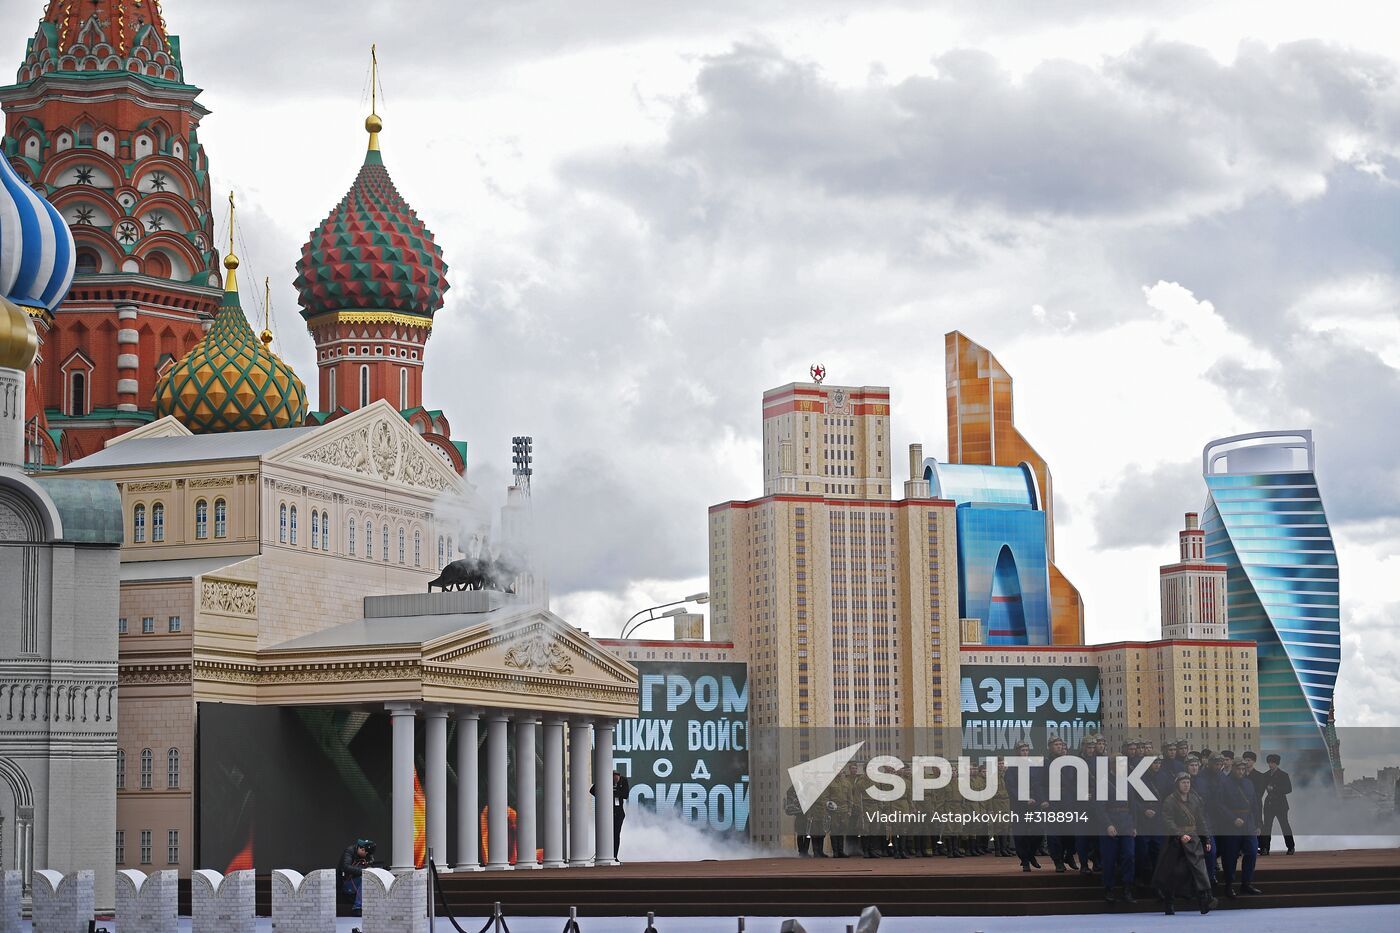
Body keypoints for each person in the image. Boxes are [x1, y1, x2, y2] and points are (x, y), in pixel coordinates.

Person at [1152, 773, 1218, 916]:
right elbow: (1167, 820)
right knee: (1174, 873)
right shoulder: (1170, 801)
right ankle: (1169, 903)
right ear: (1177, 784)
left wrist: (1206, 839)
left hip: (1193, 840)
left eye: (1188, 782)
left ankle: (1205, 901)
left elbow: (1201, 821)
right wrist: (1180, 834)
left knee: (1199, 871)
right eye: (1183, 782)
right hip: (1175, 842)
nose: (1186, 785)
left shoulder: (1195, 799)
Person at [1215, 758, 1262, 897]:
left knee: (1252, 852)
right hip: (1230, 826)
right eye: (1238, 769)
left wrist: (1258, 823)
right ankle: (1229, 885)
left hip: (1248, 824)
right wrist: (1232, 818)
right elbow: (1219, 804)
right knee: (1230, 856)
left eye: (1243, 769)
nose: (1241, 772)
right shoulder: (1223, 783)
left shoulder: (1249, 783)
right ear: (1233, 768)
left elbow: (1255, 804)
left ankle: (1246, 883)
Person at [1095, 756, 1137, 905]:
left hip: (1126, 822)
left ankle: (1127, 888)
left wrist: (1134, 825)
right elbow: (1099, 808)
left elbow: (1133, 806)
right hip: (1110, 822)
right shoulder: (1103, 783)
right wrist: (1108, 824)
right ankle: (1109, 889)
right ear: (1111, 765)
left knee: (1129, 856)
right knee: (1109, 858)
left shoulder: (1128, 783)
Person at [1007, 742, 1043, 872]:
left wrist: (1040, 800)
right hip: (1020, 806)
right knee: (1021, 834)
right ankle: (1025, 860)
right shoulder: (1012, 769)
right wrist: (1025, 799)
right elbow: (1012, 788)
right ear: (1017, 752)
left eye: (1027, 750)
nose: (1025, 753)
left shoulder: (1033, 767)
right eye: (1022, 750)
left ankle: (1031, 854)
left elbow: (1037, 785)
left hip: (1035, 804)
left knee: (1039, 831)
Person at [591, 769, 630, 859]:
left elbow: (625, 795)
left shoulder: (623, 781)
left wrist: (615, 793)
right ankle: (603, 855)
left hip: (618, 811)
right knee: (604, 833)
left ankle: (614, 856)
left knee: (616, 834)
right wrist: (604, 795)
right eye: (613, 778)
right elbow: (592, 790)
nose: (615, 780)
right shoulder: (604, 780)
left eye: (617, 778)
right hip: (606, 811)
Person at [1261, 754, 1295, 855]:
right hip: (1269, 804)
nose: (1270, 765)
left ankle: (1291, 847)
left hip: (1281, 804)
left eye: (1273, 763)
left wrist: (1275, 789)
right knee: (1267, 827)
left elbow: (1289, 789)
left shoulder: (1284, 775)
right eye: (1269, 762)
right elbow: (1262, 789)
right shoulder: (1265, 775)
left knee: (1284, 826)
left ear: (1277, 763)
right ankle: (1265, 848)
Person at [337, 838, 375, 915]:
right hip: (346, 883)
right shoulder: (349, 851)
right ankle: (357, 908)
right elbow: (346, 867)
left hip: (356, 881)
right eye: (366, 854)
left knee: (371, 879)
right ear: (362, 849)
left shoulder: (368, 856)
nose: (367, 856)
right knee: (364, 879)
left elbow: (370, 863)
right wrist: (365, 871)